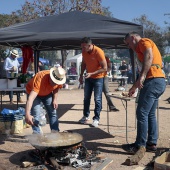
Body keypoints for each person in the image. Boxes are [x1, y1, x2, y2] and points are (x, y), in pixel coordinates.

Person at [122, 31, 166, 153]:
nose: (129, 46)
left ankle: (139, 145)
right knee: (150, 114)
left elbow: (149, 56)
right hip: (159, 81)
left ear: (132, 38)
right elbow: (145, 70)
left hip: (153, 81)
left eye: (128, 43)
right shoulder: (140, 48)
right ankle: (151, 143)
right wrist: (134, 87)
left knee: (141, 113)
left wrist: (142, 77)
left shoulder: (143, 41)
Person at [25, 67, 66, 134]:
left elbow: (56, 88)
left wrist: (55, 99)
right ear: (50, 76)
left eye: (56, 82)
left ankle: (55, 133)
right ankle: (37, 134)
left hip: (47, 93)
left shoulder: (60, 77)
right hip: (35, 94)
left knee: (53, 112)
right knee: (36, 114)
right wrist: (27, 114)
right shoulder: (40, 78)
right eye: (53, 81)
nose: (54, 84)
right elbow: (31, 98)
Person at [79, 37, 107, 127]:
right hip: (88, 77)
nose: (82, 49)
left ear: (90, 45)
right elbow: (83, 63)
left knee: (97, 99)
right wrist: (80, 75)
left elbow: (105, 68)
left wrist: (92, 73)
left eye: (84, 47)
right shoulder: (84, 52)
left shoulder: (99, 52)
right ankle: (86, 116)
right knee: (86, 98)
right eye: (82, 47)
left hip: (98, 78)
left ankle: (96, 119)